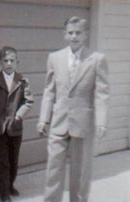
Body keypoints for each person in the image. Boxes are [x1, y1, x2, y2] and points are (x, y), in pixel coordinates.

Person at [37, 16, 110, 202]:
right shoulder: (55, 58)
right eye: (70, 33)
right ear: (64, 35)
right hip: (59, 122)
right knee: (53, 170)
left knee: (80, 172)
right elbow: (49, 91)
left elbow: (102, 94)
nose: (74, 36)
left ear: (85, 35)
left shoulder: (96, 60)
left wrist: (101, 121)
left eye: (78, 33)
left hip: (82, 122)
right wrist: (43, 118)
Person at [0, 46, 34, 202]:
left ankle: (10, 185)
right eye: (6, 61)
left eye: (12, 61)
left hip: (15, 127)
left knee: (13, 159)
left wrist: (19, 116)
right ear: (0, 62)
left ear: (17, 62)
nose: (9, 64)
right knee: (2, 160)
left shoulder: (23, 81)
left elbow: (29, 101)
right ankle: (4, 192)